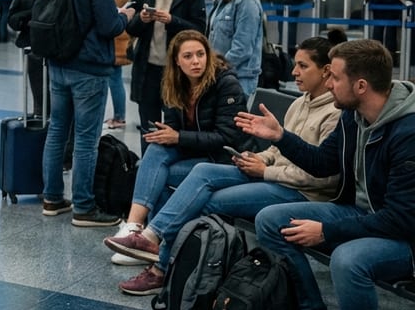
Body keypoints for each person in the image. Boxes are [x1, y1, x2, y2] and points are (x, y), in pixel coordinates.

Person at [106, 36, 340, 295]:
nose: (293, 72)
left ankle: (160, 267)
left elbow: (322, 175)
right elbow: (277, 149)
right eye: (296, 64)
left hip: (299, 191)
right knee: (194, 171)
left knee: (201, 198)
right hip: (270, 174)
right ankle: (149, 237)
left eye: (302, 66)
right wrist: (259, 159)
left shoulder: (334, 114)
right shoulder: (300, 103)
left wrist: (266, 170)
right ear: (177, 62)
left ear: (325, 71)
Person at [235, 39, 415, 310]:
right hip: (359, 213)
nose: (328, 84)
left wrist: (326, 232)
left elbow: (400, 218)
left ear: (361, 86)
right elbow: (322, 163)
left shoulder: (407, 133)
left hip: (404, 236)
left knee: (348, 259)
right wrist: (281, 137)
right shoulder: (354, 116)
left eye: (335, 77)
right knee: (271, 220)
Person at [38, 0, 135, 227]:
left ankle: (52, 198)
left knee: (57, 131)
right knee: (85, 139)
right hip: (89, 68)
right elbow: (108, 26)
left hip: (58, 63)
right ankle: (83, 206)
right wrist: (126, 16)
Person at [126, 0, 206, 152]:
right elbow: (130, 28)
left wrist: (172, 21)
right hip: (147, 69)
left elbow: (199, 31)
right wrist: (141, 19)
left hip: (176, 72)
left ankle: (171, 167)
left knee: (175, 126)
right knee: (148, 127)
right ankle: (148, 166)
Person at [207, 0, 266, 97]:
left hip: (239, 80)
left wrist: (214, 67)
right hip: (219, 76)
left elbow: (242, 49)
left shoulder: (247, 1)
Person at [102, 0, 132, 129]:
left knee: (114, 80)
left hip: (112, 36)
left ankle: (119, 117)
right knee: (116, 78)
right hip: (122, 33)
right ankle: (119, 115)